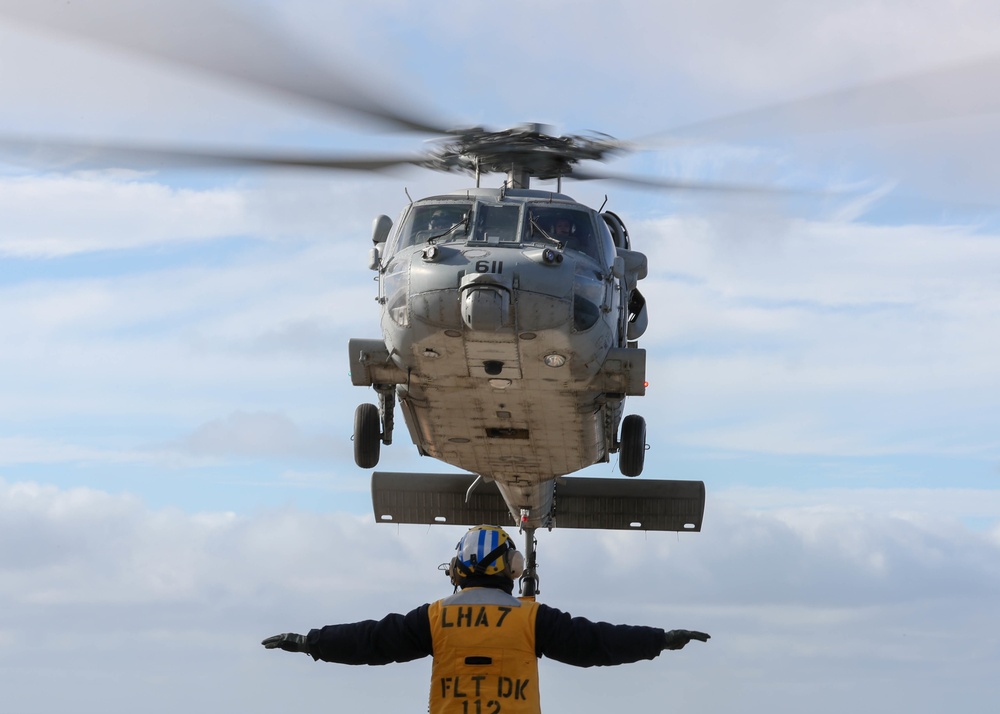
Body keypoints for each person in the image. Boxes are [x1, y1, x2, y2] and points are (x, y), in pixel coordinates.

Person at [262, 524, 710, 714]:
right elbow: (596, 644)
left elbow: (371, 642)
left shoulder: (435, 618)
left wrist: (310, 642)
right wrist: (660, 640)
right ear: (514, 570)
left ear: (457, 570)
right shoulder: (530, 619)